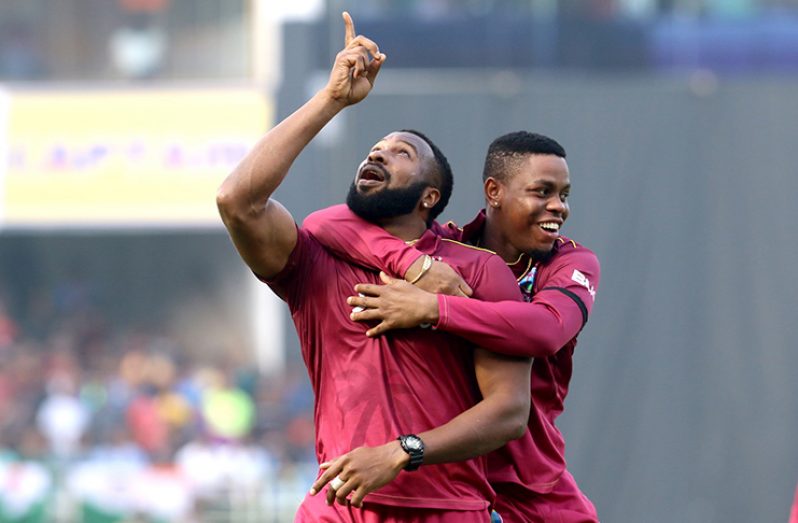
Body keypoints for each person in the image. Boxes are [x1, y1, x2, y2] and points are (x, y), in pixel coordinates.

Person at [216, 12, 533, 522]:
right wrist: (330, 100)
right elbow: (237, 200)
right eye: (375, 149)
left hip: (447, 510)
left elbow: (508, 414)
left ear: (431, 195)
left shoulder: (477, 273)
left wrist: (400, 451)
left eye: (402, 152)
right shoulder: (315, 259)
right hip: (338, 509)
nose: (381, 154)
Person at [304, 131, 601, 522]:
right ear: (493, 192)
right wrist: (413, 264)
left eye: (563, 195)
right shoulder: (448, 252)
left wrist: (434, 308)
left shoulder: (570, 263)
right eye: (542, 192)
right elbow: (323, 222)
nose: (557, 207)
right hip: (446, 484)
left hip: (529, 486)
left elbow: (545, 330)